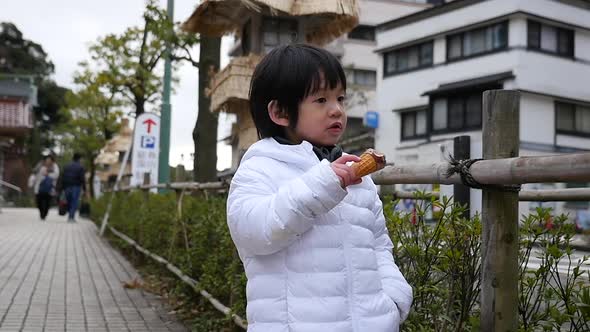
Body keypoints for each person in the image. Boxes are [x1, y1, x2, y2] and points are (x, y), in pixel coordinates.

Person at [226, 44, 412, 332]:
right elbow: (255, 232)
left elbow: (378, 246)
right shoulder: (260, 168)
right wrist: (325, 183)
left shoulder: (357, 177)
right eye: (321, 100)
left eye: (340, 98)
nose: (336, 110)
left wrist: (394, 300)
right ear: (280, 112)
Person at [61, 153, 86, 222]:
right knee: (74, 201)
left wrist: (62, 187)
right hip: (76, 186)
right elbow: (82, 179)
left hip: (67, 186)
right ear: (79, 159)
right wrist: (84, 188)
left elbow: (62, 177)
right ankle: (71, 217)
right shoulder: (81, 167)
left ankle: (70, 214)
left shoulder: (67, 166)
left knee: (69, 201)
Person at [33, 155, 59, 220]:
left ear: (52, 161)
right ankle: (41, 213)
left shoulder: (55, 166)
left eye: (49, 160)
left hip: (49, 187)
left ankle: (45, 214)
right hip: (39, 187)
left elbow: (56, 175)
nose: (48, 161)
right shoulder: (41, 166)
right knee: (39, 202)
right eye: (47, 160)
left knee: (47, 202)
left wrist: (48, 175)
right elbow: (36, 174)